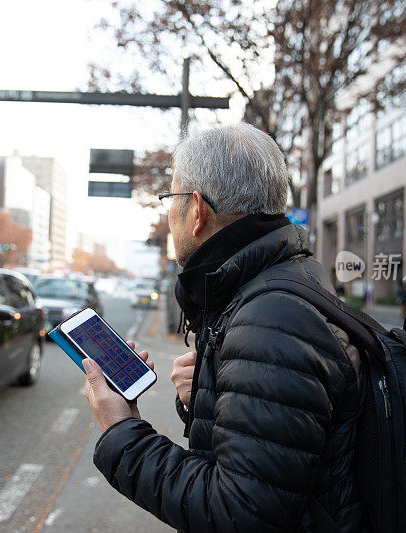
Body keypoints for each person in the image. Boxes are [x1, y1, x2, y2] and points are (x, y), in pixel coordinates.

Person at [82, 123, 366, 532]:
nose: (170, 213)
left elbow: (242, 514)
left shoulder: (272, 319)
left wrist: (121, 431)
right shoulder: (282, 281)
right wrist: (209, 393)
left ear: (196, 210)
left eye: (171, 199)